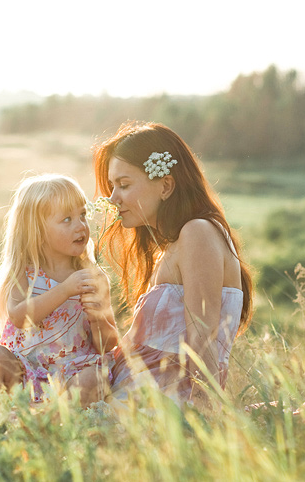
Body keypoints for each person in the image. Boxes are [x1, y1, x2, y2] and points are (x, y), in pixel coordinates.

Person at [92, 121, 253, 408]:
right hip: (135, 400)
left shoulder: (198, 233)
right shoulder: (171, 247)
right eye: (112, 186)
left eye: (124, 185)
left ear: (165, 185)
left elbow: (202, 339)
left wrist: (208, 422)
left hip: (160, 409)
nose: (113, 199)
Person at [0, 174, 118, 407]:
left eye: (83, 215)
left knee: (94, 378)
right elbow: (19, 317)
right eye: (67, 219)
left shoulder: (93, 277)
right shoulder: (24, 272)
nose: (81, 226)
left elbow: (108, 344)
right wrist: (65, 290)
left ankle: (51, 425)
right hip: (26, 374)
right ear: (37, 232)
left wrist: (98, 318)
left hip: (73, 373)